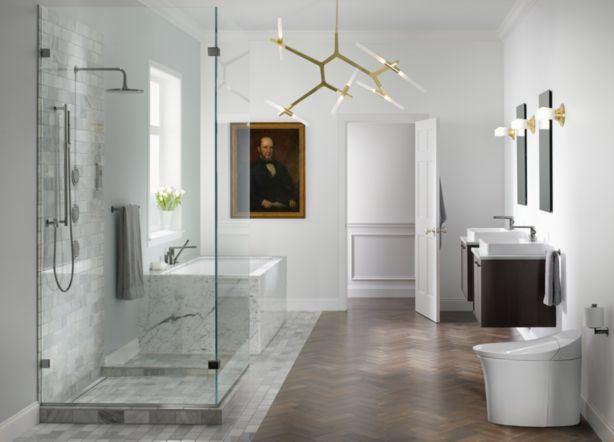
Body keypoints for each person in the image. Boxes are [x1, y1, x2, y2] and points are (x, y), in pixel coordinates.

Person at [250, 136, 298, 211]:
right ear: (259, 149)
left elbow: (290, 186)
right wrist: (261, 202)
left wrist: (291, 199)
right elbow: (248, 192)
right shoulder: (252, 168)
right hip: (261, 210)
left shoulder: (281, 167)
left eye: (271, 147)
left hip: (283, 208)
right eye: (265, 147)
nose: (269, 151)